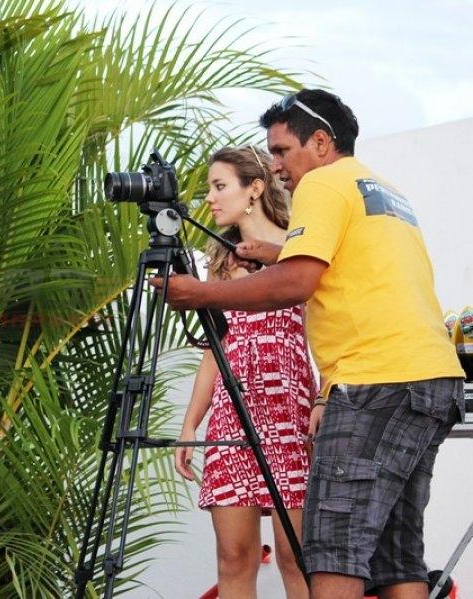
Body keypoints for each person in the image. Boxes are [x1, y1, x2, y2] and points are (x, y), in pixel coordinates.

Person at [152, 89, 465, 599]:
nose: (276, 165)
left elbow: (298, 283)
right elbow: (352, 267)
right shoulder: (381, 190)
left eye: (281, 151)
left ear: (320, 142)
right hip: (433, 378)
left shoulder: (321, 183)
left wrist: (198, 295)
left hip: (375, 382)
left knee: (331, 549)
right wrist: (277, 254)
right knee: (395, 556)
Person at [176, 146, 314, 599]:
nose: (210, 199)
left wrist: (325, 398)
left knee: (296, 556)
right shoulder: (219, 263)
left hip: (289, 418)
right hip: (232, 419)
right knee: (234, 558)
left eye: (220, 186)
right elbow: (215, 350)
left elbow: (325, 331)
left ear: (254, 188)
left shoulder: (299, 249)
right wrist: (190, 424)